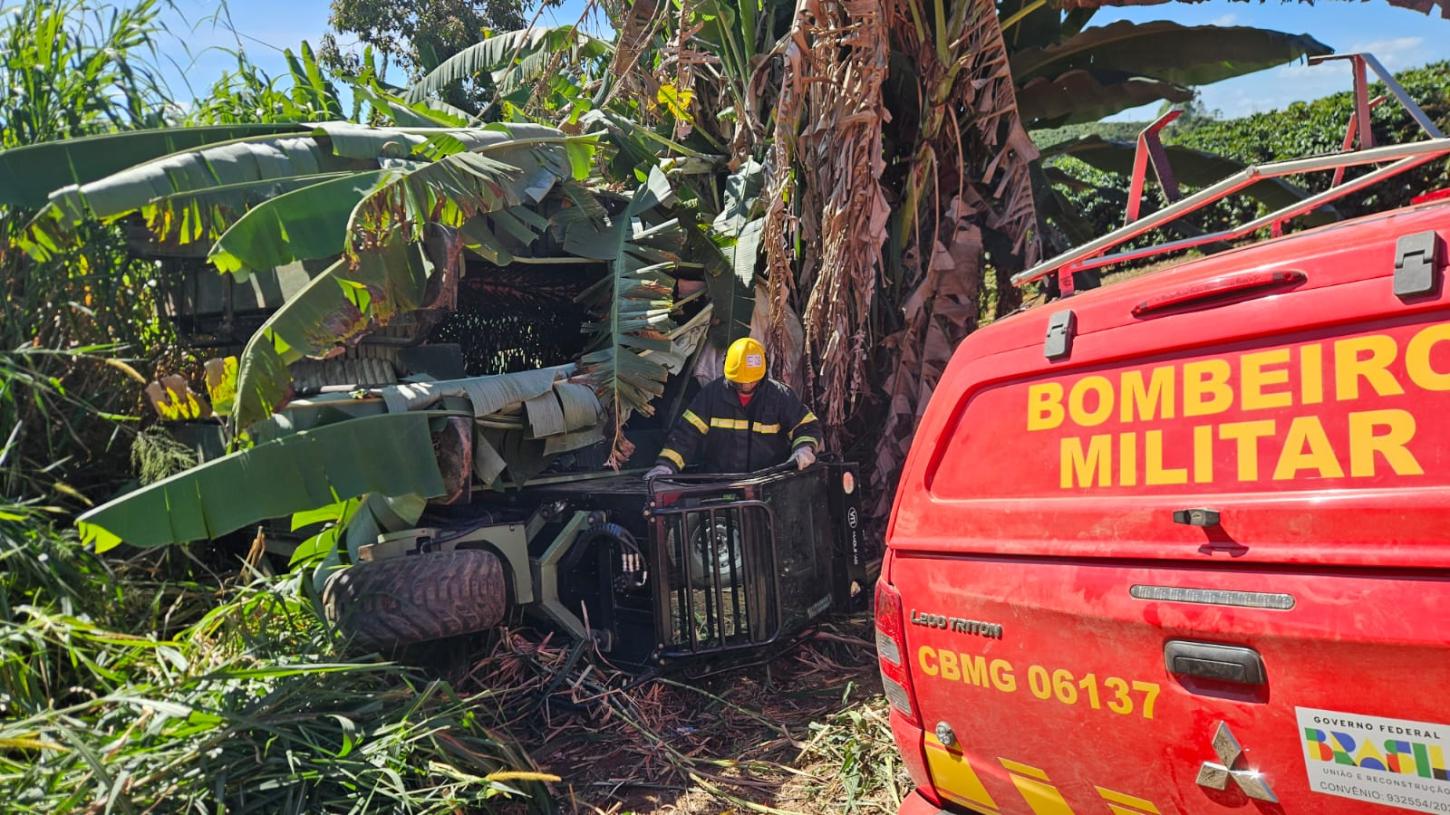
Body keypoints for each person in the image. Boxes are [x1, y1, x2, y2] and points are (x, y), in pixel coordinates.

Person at [645, 338, 820, 479]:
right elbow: (686, 435)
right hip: (720, 484)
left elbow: (806, 427)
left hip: (769, 485)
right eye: (740, 380)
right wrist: (666, 466)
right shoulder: (711, 396)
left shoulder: (779, 396)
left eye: (751, 380)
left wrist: (804, 448)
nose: (746, 385)